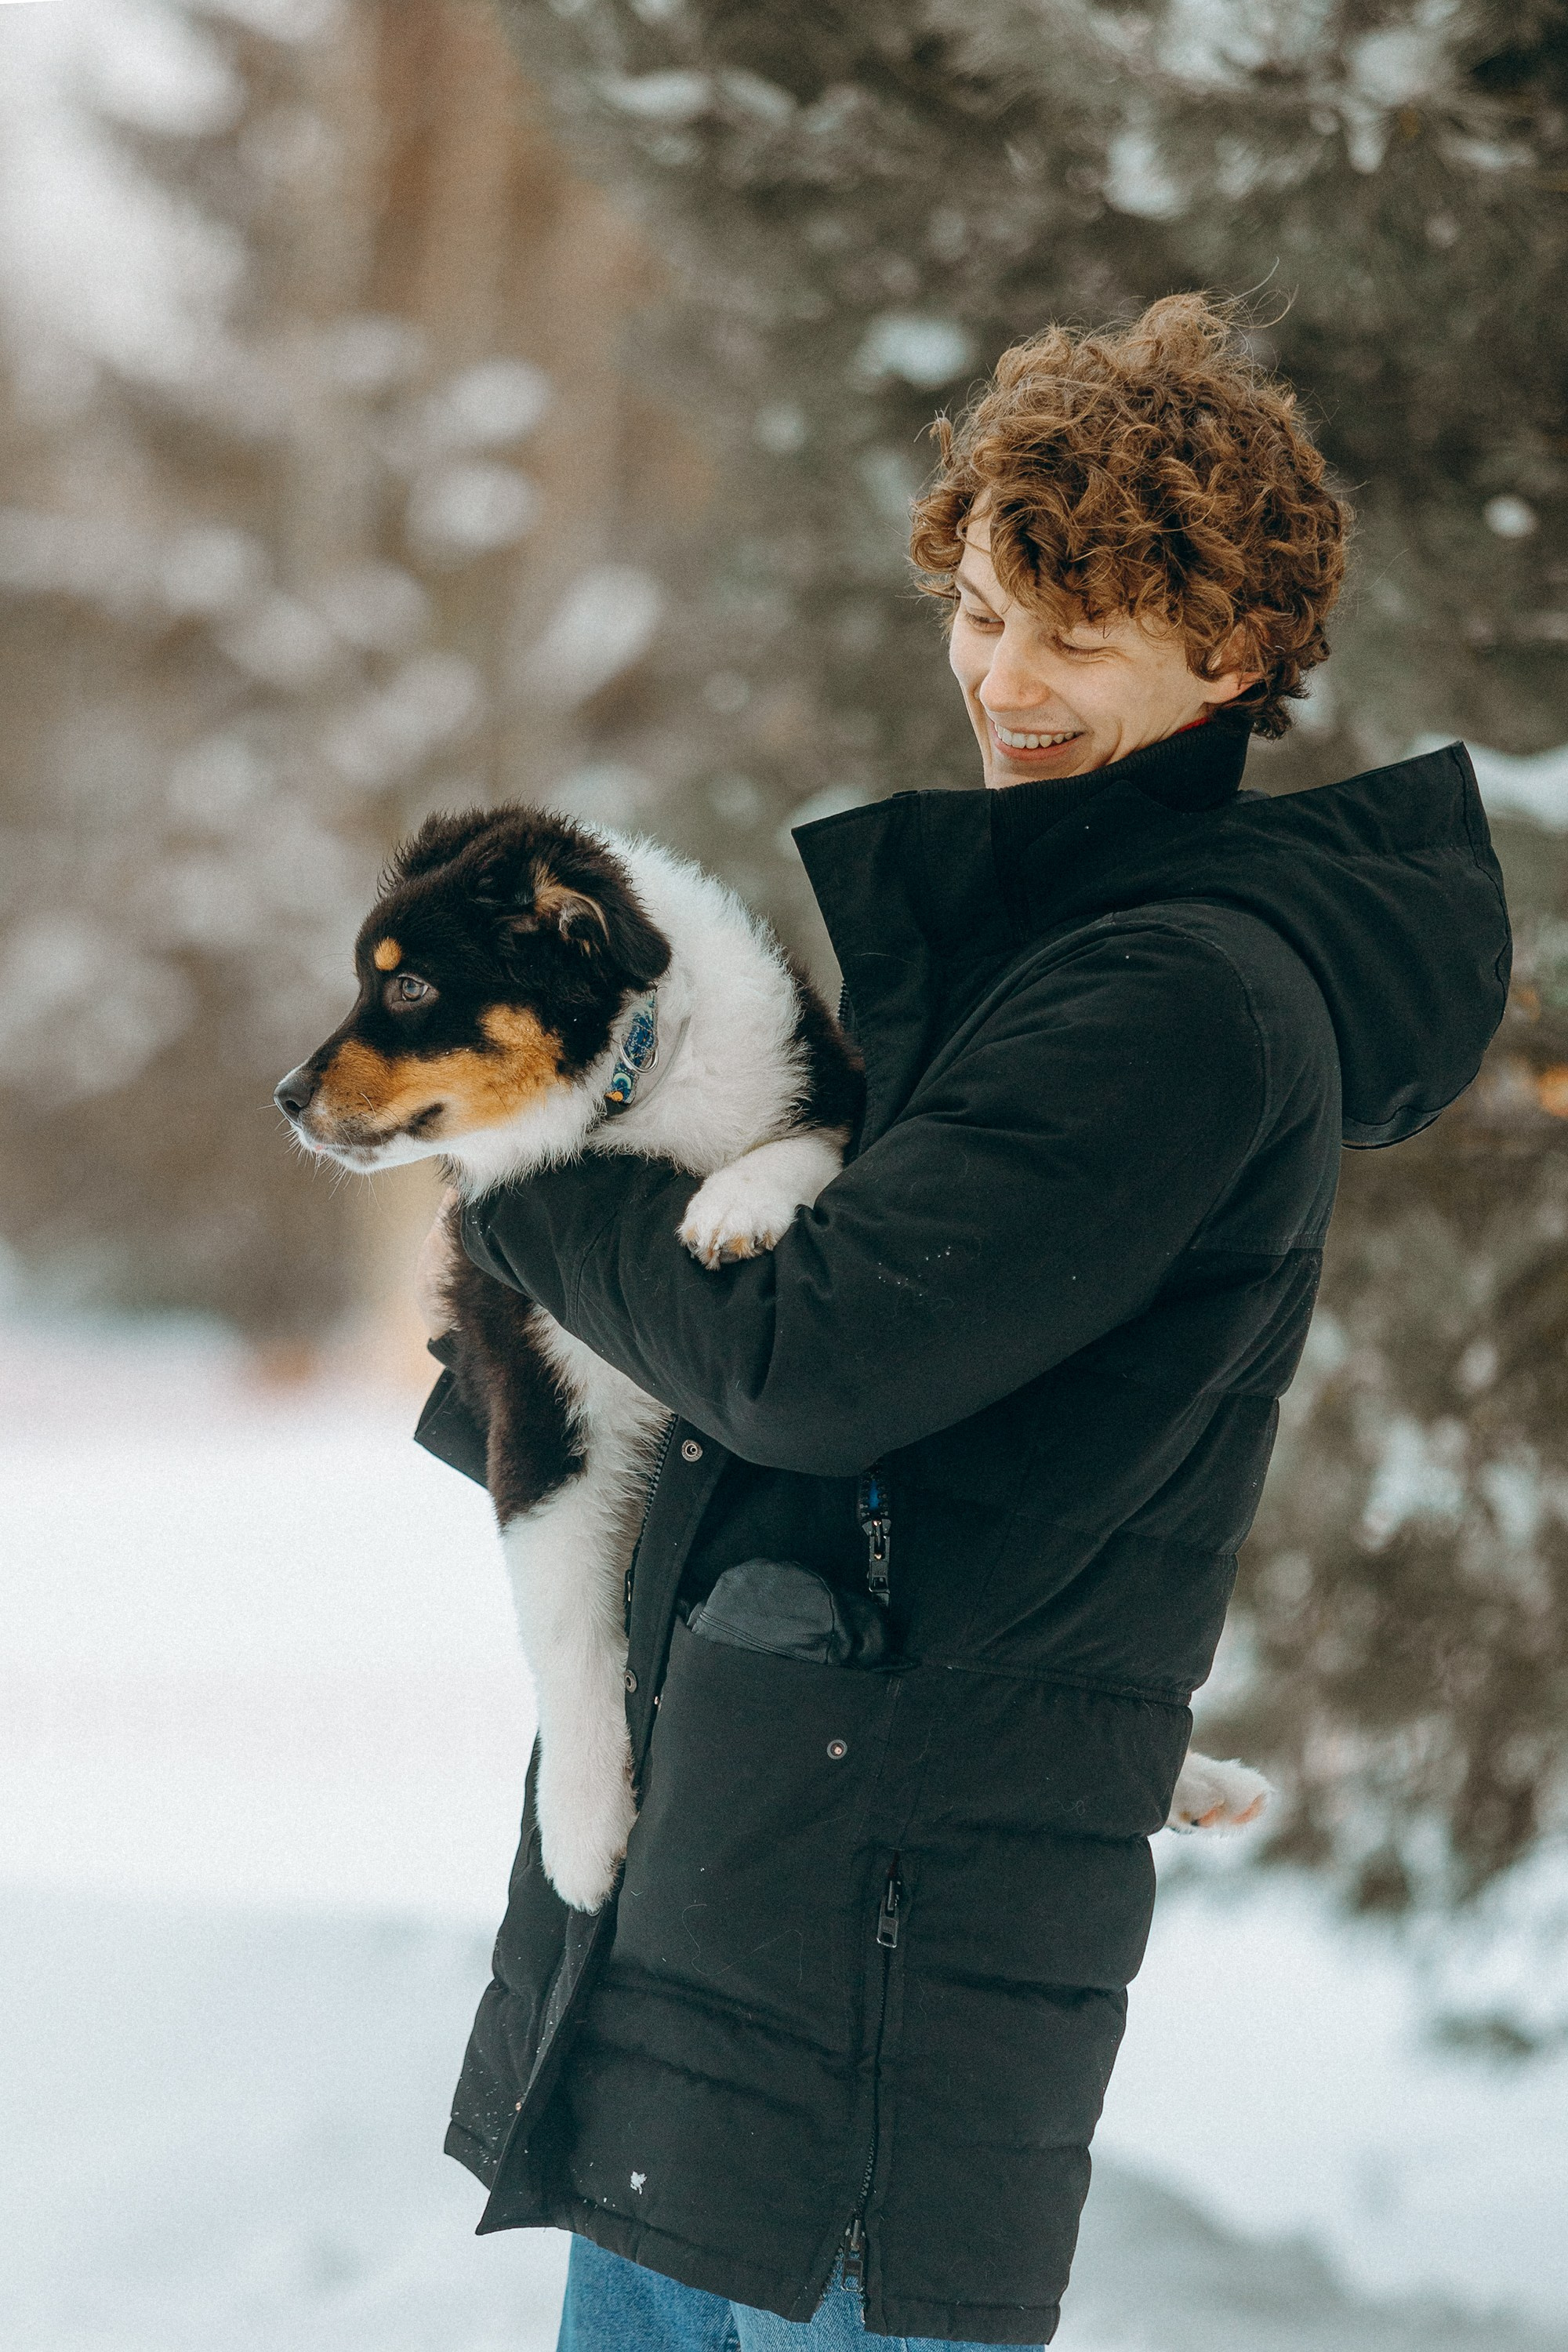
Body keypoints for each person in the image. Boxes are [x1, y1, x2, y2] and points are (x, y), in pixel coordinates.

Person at [412, 295, 1509, 2349]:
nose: (1006, 682)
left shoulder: (1169, 999)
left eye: (1078, 640)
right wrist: (537, 1334)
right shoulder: (1019, 962)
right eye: (988, 610)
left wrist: (535, 1166)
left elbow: (810, 1365)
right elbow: (791, 1388)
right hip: (735, 1876)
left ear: (1240, 656)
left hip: (877, 1960)